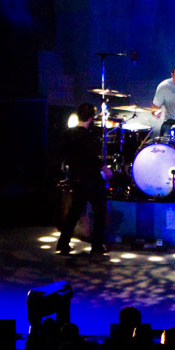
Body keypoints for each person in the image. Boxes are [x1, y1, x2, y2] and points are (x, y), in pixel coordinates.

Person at [57, 103, 113, 256]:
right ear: (91, 118)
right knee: (100, 211)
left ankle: (63, 243)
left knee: (74, 211)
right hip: (91, 178)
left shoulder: (69, 134)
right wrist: (104, 168)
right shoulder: (88, 136)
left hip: (77, 177)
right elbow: (92, 157)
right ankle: (96, 245)